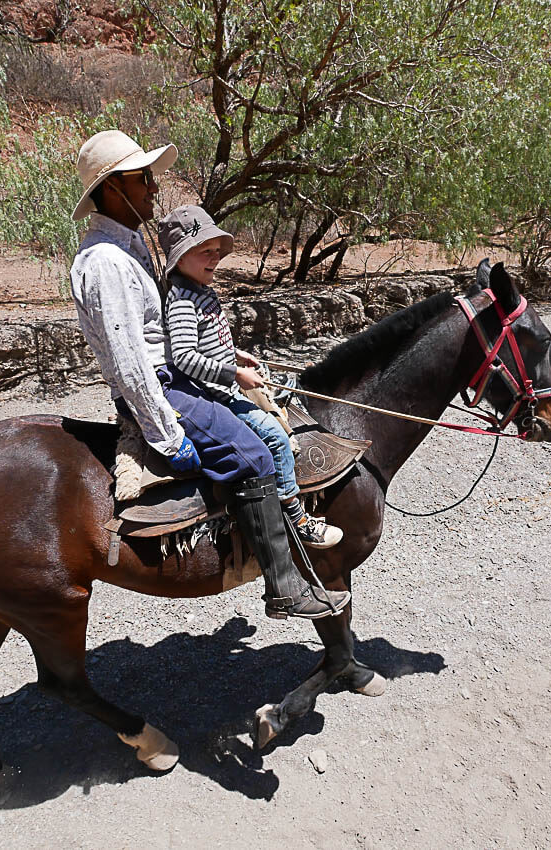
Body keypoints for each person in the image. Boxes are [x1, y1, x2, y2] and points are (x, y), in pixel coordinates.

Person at [68, 130, 349, 620]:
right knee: (254, 453)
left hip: (169, 381)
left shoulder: (126, 247)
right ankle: (284, 587)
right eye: (144, 179)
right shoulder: (107, 262)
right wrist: (166, 434)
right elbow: (130, 361)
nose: (154, 188)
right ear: (113, 188)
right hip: (162, 389)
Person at [159, 205, 343, 549]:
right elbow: (184, 357)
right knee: (273, 436)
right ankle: (295, 517)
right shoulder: (183, 300)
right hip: (212, 394)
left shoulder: (201, 290)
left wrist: (236, 354)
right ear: (181, 258)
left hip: (224, 381)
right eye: (204, 252)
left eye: (216, 251)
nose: (214, 258)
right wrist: (234, 373)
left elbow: (207, 341)